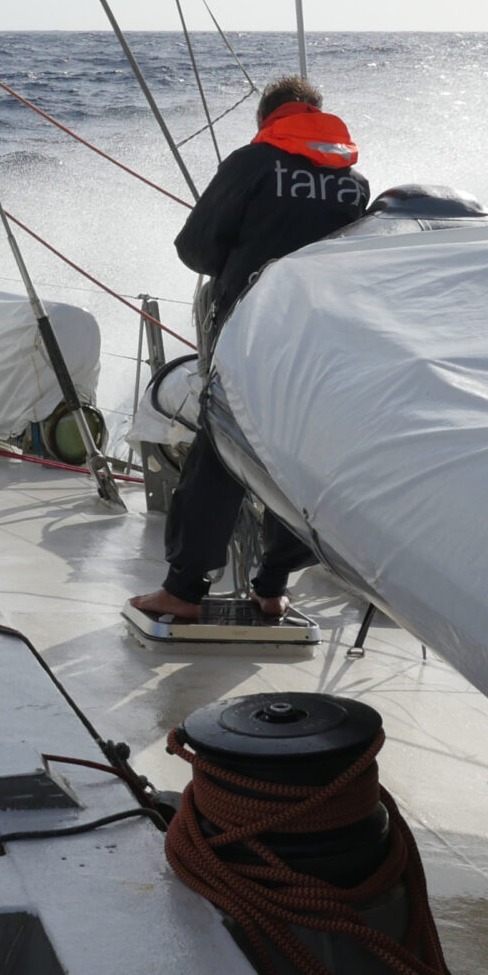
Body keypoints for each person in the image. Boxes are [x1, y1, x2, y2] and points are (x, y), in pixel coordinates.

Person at [130, 75, 369, 623]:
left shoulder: (252, 162)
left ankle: (184, 591)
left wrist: (237, 256)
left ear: (267, 117)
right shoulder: (354, 183)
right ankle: (272, 587)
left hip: (252, 338)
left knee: (222, 454)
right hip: (323, 346)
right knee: (298, 461)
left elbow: (194, 247)